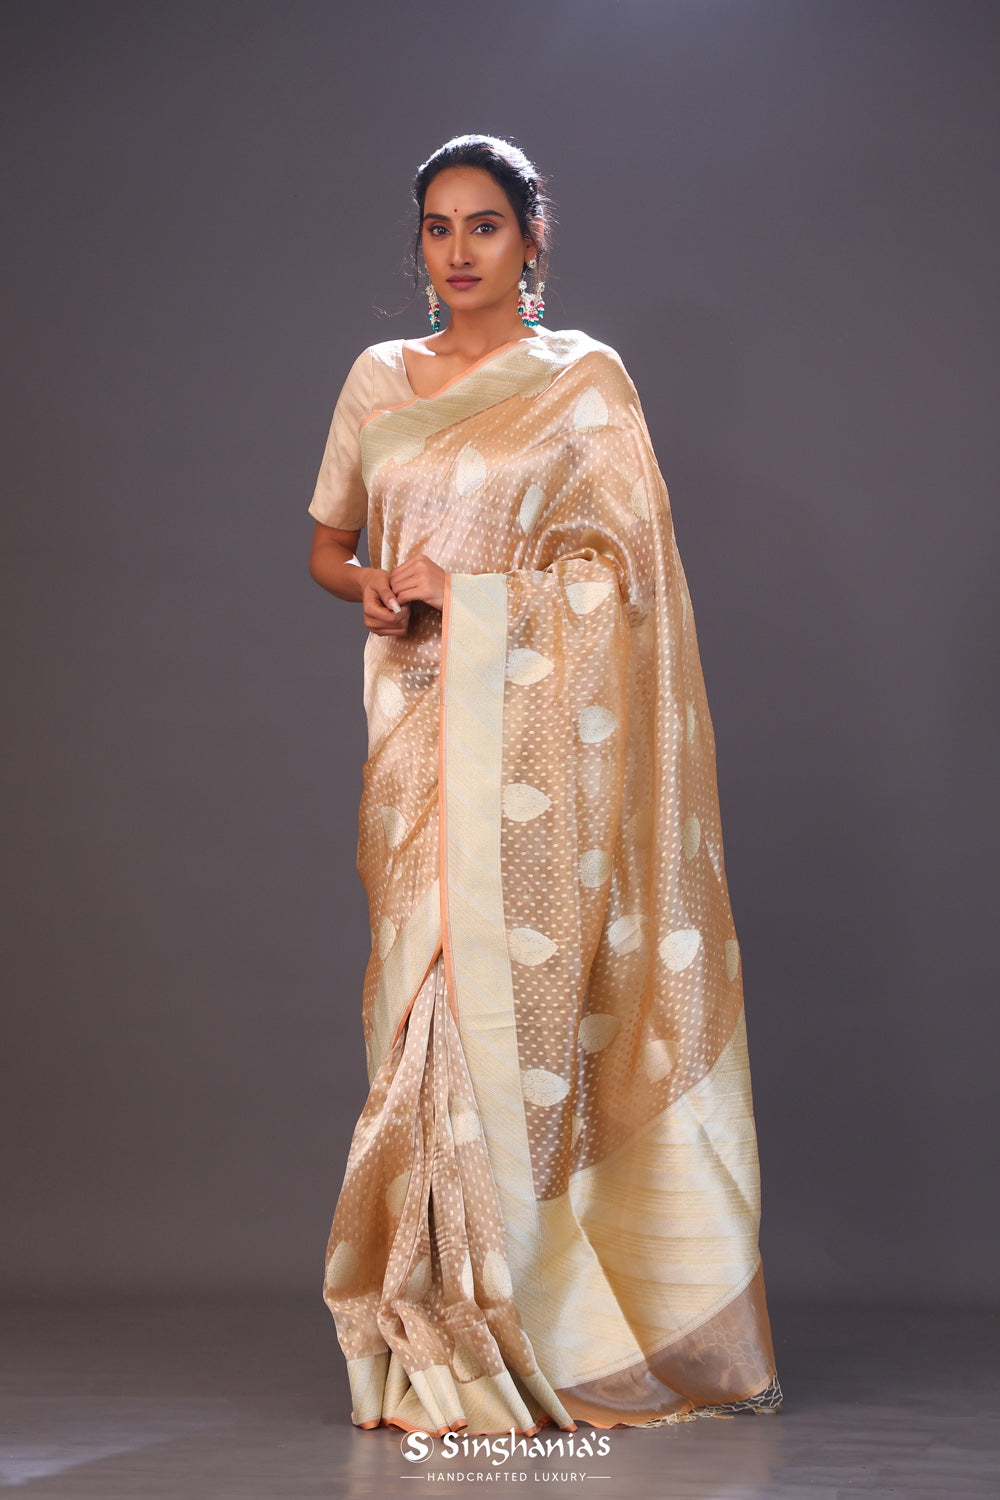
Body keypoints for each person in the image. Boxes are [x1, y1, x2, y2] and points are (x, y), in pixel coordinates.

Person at [306, 133, 783, 1437]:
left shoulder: (584, 385)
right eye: (437, 227)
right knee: (416, 1014)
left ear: (530, 240)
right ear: (418, 243)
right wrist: (378, 587)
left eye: (485, 226)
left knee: (498, 1012)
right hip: (413, 733)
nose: (458, 251)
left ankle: (518, 1323)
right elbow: (329, 547)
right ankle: (428, 1311)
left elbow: (622, 583)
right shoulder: (378, 380)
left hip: (530, 752)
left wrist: (474, 595)